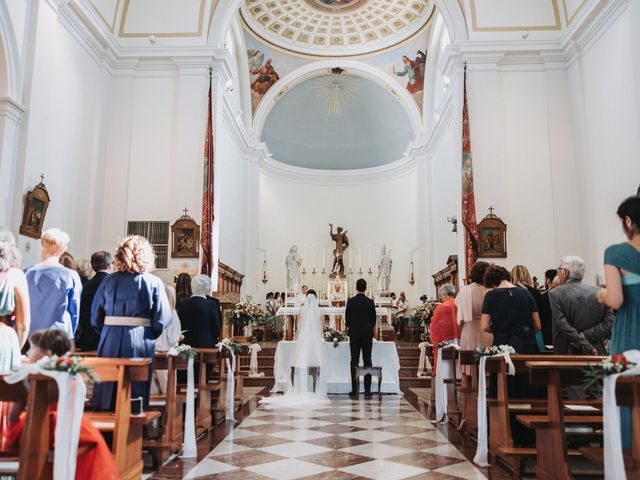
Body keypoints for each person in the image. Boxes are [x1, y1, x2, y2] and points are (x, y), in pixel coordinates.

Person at [4, 329, 119, 480]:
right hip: (66, 425)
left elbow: (12, 417)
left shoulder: (28, 376)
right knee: (92, 443)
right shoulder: (68, 376)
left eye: (32, 348)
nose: (28, 353)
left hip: (39, 425)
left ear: (48, 353)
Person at [91, 236, 171, 410]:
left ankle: (106, 428)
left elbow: (95, 318)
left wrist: (109, 333)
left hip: (109, 341)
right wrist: (147, 333)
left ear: (120, 256)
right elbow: (162, 319)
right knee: (135, 389)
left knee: (107, 388)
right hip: (139, 340)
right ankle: (133, 424)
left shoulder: (108, 281)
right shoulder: (153, 282)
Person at [597, 195, 640, 449]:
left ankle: (631, 454)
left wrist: (601, 293)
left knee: (628, 390)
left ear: (628, 221)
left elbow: (615, 299)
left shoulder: (616, 253)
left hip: (631, 327)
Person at [261, 290, 328, 408]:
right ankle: (316, 388)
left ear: (306, 298)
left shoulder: (301, 310)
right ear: (316, 298)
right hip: (315, 339)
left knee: (300, 359)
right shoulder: (319, 311)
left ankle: (298, 389)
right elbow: (322, 327)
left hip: (303, 338)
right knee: (317, 360)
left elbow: (298, 326)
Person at [25, 228, 82, 343]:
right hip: (60, 334)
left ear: (43, 245)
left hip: (31, 332)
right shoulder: (71, 276)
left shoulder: (27, 273)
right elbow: (74, 309)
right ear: (63, 250)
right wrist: (71, 332)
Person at [550, 256, 613, 357]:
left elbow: (562, 324)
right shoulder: (600, 292)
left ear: (566, 272)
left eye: (559, 269)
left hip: (568, 352)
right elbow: (609, 322)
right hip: (596, 350)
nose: (557, 272)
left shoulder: (556, 293)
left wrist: (582, 340)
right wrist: (586, 337)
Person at [481, 265, 541, 353]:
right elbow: (537, 325)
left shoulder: (491, 295)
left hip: (503, 344)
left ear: (492, 282)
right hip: (526, 344)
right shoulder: (527, 293)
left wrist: (499, 330)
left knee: (505, 367)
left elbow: (485, 326)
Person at [455, 261, 491, 375]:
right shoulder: (491, 291)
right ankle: (488, 392)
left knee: (467, 370)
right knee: (489, 368)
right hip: (488, 330)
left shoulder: (464, 291)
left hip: (469, 329)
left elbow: (459, 318)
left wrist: (462, 332)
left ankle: (466, 392)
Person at [75, 251, 113, 351]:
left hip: (87, 334)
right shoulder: (113, 283)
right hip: (107, 333)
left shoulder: (87, 284)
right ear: (109, 265)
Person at [345, 279, 376, 399]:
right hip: (367, 334)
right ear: (365, 288)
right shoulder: (370, 302)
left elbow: (347, 318)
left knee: (354, 361)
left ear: (356, 288)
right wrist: (367, 328)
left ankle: (354, 390)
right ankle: (367, 391)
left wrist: (353, 327)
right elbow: (373, 319)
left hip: (354, 334)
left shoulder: (351, 301)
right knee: (367, 360)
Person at [511, 265, 552, 348]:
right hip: (533, 330)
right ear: (527, 275)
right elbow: (542, 315)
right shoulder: (534, 293)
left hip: (513, 331)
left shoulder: (508, 292)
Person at [152, 285, 183, 395]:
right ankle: (169, 411)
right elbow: (172, 338)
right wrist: (179, 336)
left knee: (154, 390)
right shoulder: (172, 314)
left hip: (153, 353)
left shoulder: (154, 311)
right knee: (168, 390)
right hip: (167, 355)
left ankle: (155, 411)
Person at [177, 274, 221, 349]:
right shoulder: (211, 305)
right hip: (206, 345)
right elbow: (216, 329)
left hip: (186, 346)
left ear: (192, 286)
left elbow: (179, 326)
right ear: (208, 288)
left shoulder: (183, 304)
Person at [430, 284, 460, 374]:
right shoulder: (459, 304)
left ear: (444, 294)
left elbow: (435, 327)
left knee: (445, 369)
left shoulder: (441, 307)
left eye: (441, 296)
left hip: (445, 343)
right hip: (460, 342)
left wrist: (434, 339)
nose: (441, 298)